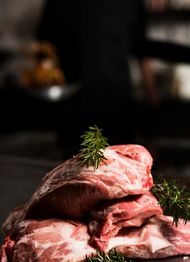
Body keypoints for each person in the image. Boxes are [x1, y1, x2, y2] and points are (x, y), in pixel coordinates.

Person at [36, 0, 152, 155]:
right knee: (73, 169)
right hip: (74, 110)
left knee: (121, 167)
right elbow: (44, 51)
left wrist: (152, 105)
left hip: (117, 107)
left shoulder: (132, 3)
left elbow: (143, 51)